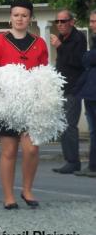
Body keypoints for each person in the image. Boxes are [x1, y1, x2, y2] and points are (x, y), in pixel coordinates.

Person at [0, 0, 48, 209]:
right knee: (9, 151)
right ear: (11, 17)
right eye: (16, 15)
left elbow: (44, 72)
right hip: (6, 103)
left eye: (24, 15)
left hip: (31, 103)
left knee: (31, 149)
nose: (20, 19)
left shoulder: (39, 43)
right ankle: (8, 196)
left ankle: (27, 190)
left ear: (31, 18)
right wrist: (9, 82)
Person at [49, 10, 87, 174]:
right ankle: (69, 161)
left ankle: (73, 162)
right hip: (63, 87)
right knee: (63, 125)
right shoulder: (64, 38)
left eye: (63, 21)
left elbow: (77, 62)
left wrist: (60, 47)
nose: (59, 24)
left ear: (71, 22)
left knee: (69, 125)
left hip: (73, 88)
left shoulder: (78, 38)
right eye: (57, 21)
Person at [74, 9, 96, 178]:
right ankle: (92, 165)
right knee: (93, 131)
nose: (91, 25)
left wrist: (89, 56)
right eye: (91, 21)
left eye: (94, 21)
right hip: (90, 92)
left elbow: (88, 59)